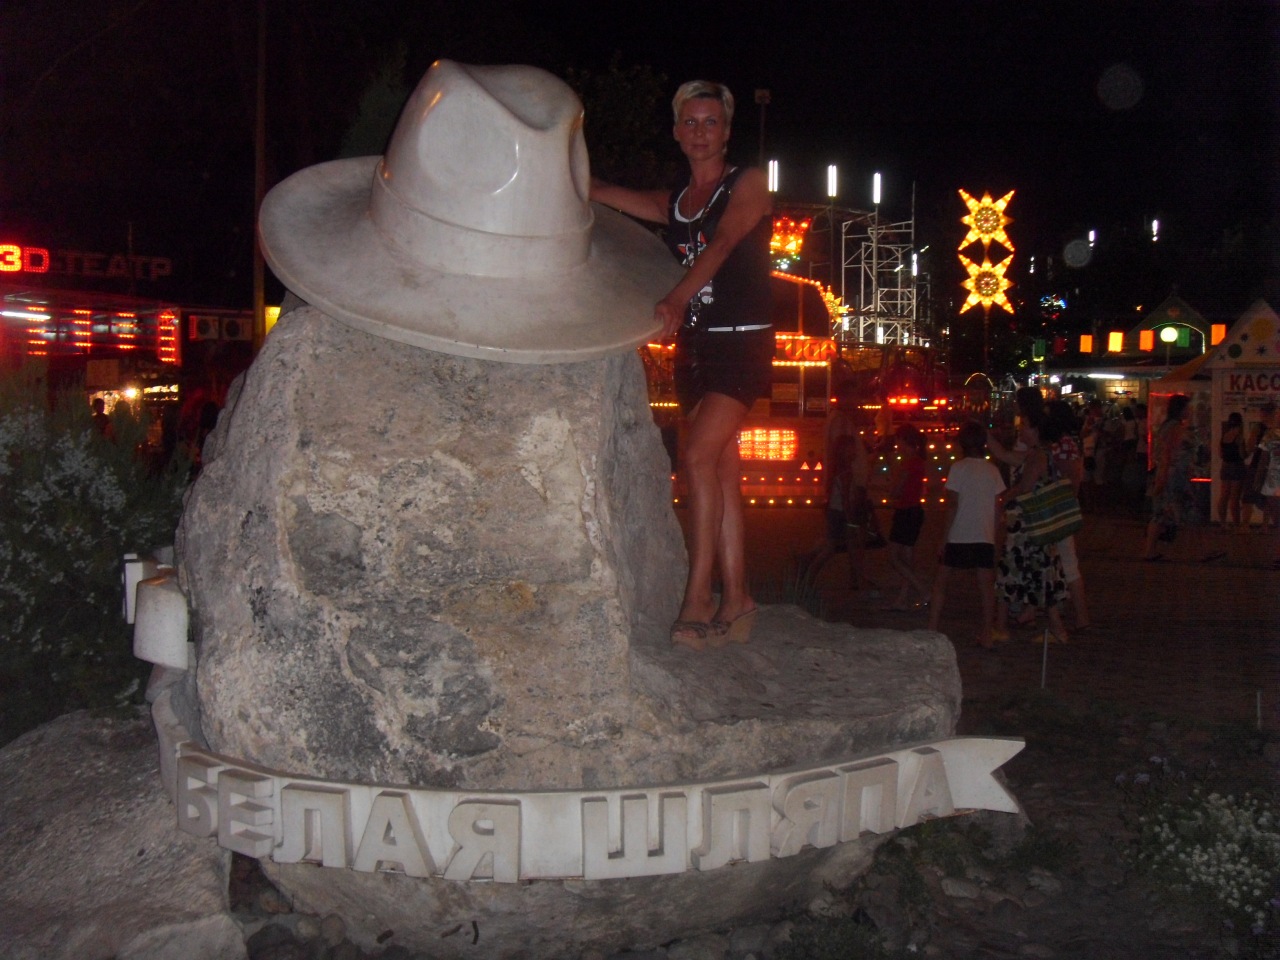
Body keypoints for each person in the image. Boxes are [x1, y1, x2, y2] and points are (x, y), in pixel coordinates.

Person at [591, 80, 772, 650]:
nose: (700, 132)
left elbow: (722, 245)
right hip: (697, 348)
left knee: (695, 458)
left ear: (727, 131)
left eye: (710, 122)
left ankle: (697, 598)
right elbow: (605, 192)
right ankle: (738, 598)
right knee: (722, 471)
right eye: (690, 122)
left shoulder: (747, 184)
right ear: (675, 131)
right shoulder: (674, 201)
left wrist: (674, 299)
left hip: (742, 343)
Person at [988, 408, 1070, 643]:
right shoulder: (1039, 453)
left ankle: (1002, 627)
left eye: (1024, 425)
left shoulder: (1038, 455)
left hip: (1027, 527)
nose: (1020, 429)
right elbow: (1004, 455)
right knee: (1038, 575)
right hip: (1032, 526)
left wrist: (1004, 498)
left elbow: (1026, 486)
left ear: (1035, 429)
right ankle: (1055, 629)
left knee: (1011, 573)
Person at [927, 421, 1006, 647]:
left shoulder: (958, 468)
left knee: (941, 582)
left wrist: (943, 538)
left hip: (959, 534)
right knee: (986, 588)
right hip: (983, 535)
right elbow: (997, 507)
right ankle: (987, 634)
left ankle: (932, 628)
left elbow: (952, 505)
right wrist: (995, 537)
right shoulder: (992, 471)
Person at [1143, 394, 1202, 561]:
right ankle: (1196, 550)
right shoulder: (1175, 428)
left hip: (1171, 476)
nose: (1190, 411)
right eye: (1188, 408)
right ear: (1181, 409)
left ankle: (1150, 550)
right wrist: (1162, 479)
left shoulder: (1168, 426)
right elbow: (1167, 456)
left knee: (1161, 514)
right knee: (1185, 512)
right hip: (1173, 478)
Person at [884, 424, 931, 610]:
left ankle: (922, 590)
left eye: (898, 441)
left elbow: (895, 491)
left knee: (894, 557)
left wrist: (890, 485)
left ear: (904, 441)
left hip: (905, 512)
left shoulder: (909, 463)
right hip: (914, 511)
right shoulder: (917, 461)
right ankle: (903, 599)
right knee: (907, 559)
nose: (897, 445)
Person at [1216, 411, 1246, 528]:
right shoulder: (1239, 436)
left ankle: (1223, 522)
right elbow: (1242, 454)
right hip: (1236, 466)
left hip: (1225, 466)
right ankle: (1237, 524)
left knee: (1224, 496)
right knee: (1235, 498)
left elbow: (1220, 453)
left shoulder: (1225, 436)